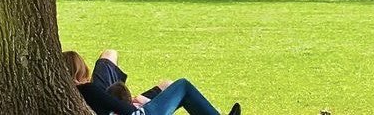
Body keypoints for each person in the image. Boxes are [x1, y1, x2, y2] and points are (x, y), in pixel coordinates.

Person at [62, 51, 241, 115]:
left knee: (177, 89)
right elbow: (124, 109)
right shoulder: (87, 89)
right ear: (80, 69)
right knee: (183, 86)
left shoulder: (70, 93)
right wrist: (142, 104)